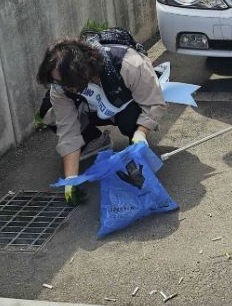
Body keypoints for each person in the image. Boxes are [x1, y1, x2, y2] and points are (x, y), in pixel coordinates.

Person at [36, 36, 166, 204]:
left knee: (130, 121)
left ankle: (135, 145)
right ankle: (94, 141)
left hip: (123, 103)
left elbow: (153, 103)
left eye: (66, 82)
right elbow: (67, 130)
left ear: (83, 73)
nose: (63, 87)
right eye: (58, 82)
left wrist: (141, 133)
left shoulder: (129, 64)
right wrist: (71, 179)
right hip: (93, 108)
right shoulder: (60, 87)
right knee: (48, 111)